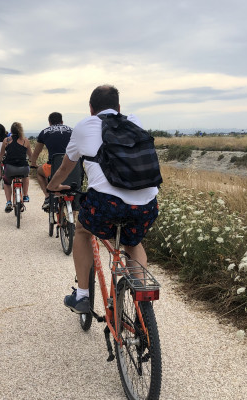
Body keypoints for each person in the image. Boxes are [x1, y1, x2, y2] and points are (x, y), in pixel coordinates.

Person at [46, 85, 159, 313]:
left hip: (107, 204)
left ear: (91, 108)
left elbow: (66, 167)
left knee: (82, 231)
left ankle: (82, 296)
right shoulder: (134, 121)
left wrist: (52, 187)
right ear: (119, 107)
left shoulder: (84, 126)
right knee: (133, 242)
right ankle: (142, 306)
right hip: (147, 204)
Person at [30, 112, 73, 210]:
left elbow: (36, 152)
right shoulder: (72, 130)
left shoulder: (44, 132)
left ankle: (47, 196)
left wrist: (33, 163)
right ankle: (72, 214)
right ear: (62, 121)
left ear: (49, 123)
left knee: (39, 172)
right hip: (72, 168)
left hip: (52, 168)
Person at [0, 122, 32, 212]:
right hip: (23, 168)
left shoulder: (6, 140)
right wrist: (31, 161)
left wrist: (0, 159)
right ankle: (25, 195)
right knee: (26, 176)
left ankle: (8, 202)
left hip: (10, 168)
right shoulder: (25, 141)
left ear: (11, 130)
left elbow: (1, 154)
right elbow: (30, 155)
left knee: (7, 182)